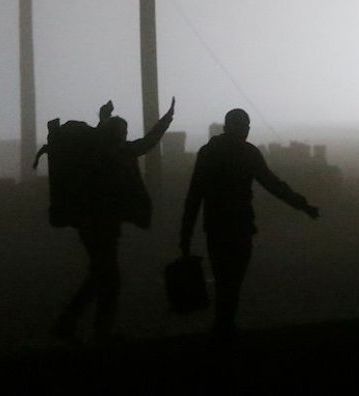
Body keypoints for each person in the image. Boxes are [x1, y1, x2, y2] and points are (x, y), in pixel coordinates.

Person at [179, 108, 320, 346]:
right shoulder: (247, 153)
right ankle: (225, 328)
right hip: (240, 225)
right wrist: (302, 205)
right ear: (242, 127)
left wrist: (185, 235)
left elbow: (195, 195)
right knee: (233, 280)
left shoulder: (208, 152)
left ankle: (222, 328)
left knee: (223, 278)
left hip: (215, 226)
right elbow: (273, 184)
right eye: (246, 126)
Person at [51, 97, 175, 345]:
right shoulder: (119, 154)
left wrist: (104, 118)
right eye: (123, 132)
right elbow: (148, 142)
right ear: (117, 134)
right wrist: (166, 119)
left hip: (92, 226)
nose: (125, 135)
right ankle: (91, 329)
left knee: (101, 276)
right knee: (107, 278)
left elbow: (142, 141)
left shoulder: (98, 154)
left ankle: (74, 323)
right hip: (102, 227)